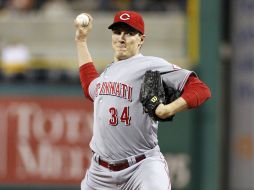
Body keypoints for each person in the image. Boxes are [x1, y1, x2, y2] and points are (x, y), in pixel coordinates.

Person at [74, 10, 211, 190]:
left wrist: (169, 109)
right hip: (100, 173)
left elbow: (200, 89)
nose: (121, 38)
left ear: (141, 39)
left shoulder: (151, 65)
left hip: (141, 167)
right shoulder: (108, 71)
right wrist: (81, 41)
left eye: (129, 33)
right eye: (117, 32)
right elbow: (89, 87)